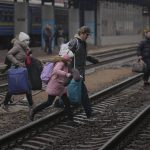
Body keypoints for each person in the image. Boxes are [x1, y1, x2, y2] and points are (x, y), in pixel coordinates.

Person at [29, 52, 74, 121]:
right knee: (49, 102)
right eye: (70, 58)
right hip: (55, 85)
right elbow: (55, 70)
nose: (71, 60)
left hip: (61, 86)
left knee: (67, 103)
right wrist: (66, 74)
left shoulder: (65, 64)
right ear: (67, 58)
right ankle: (34, 111)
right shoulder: (61, 63)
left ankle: (71, 120)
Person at [68, 26, 94, 119]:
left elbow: (83, 55)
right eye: (87, 35)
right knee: (83, 92)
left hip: (79, 72)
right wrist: (69, 70)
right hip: (74, 72)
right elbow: (66, 55)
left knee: (80, 92)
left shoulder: (83, 43)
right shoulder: (74, 42)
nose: (88, 37)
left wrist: (92, 59)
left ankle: (59, 103)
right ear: (82, 33)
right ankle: (89, 113)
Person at [3, 32, 33, 111]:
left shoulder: (24, 47)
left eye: (28, 40)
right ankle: (6, 102)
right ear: (22, 41)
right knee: (13, 86)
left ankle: (31, 104)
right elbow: (9, 54)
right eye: (26, 40)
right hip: (16, 68)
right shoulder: (18, 46)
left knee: (27, 86)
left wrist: (28, 52)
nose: (28, 42)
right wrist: (17, 62)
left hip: (23, 69)